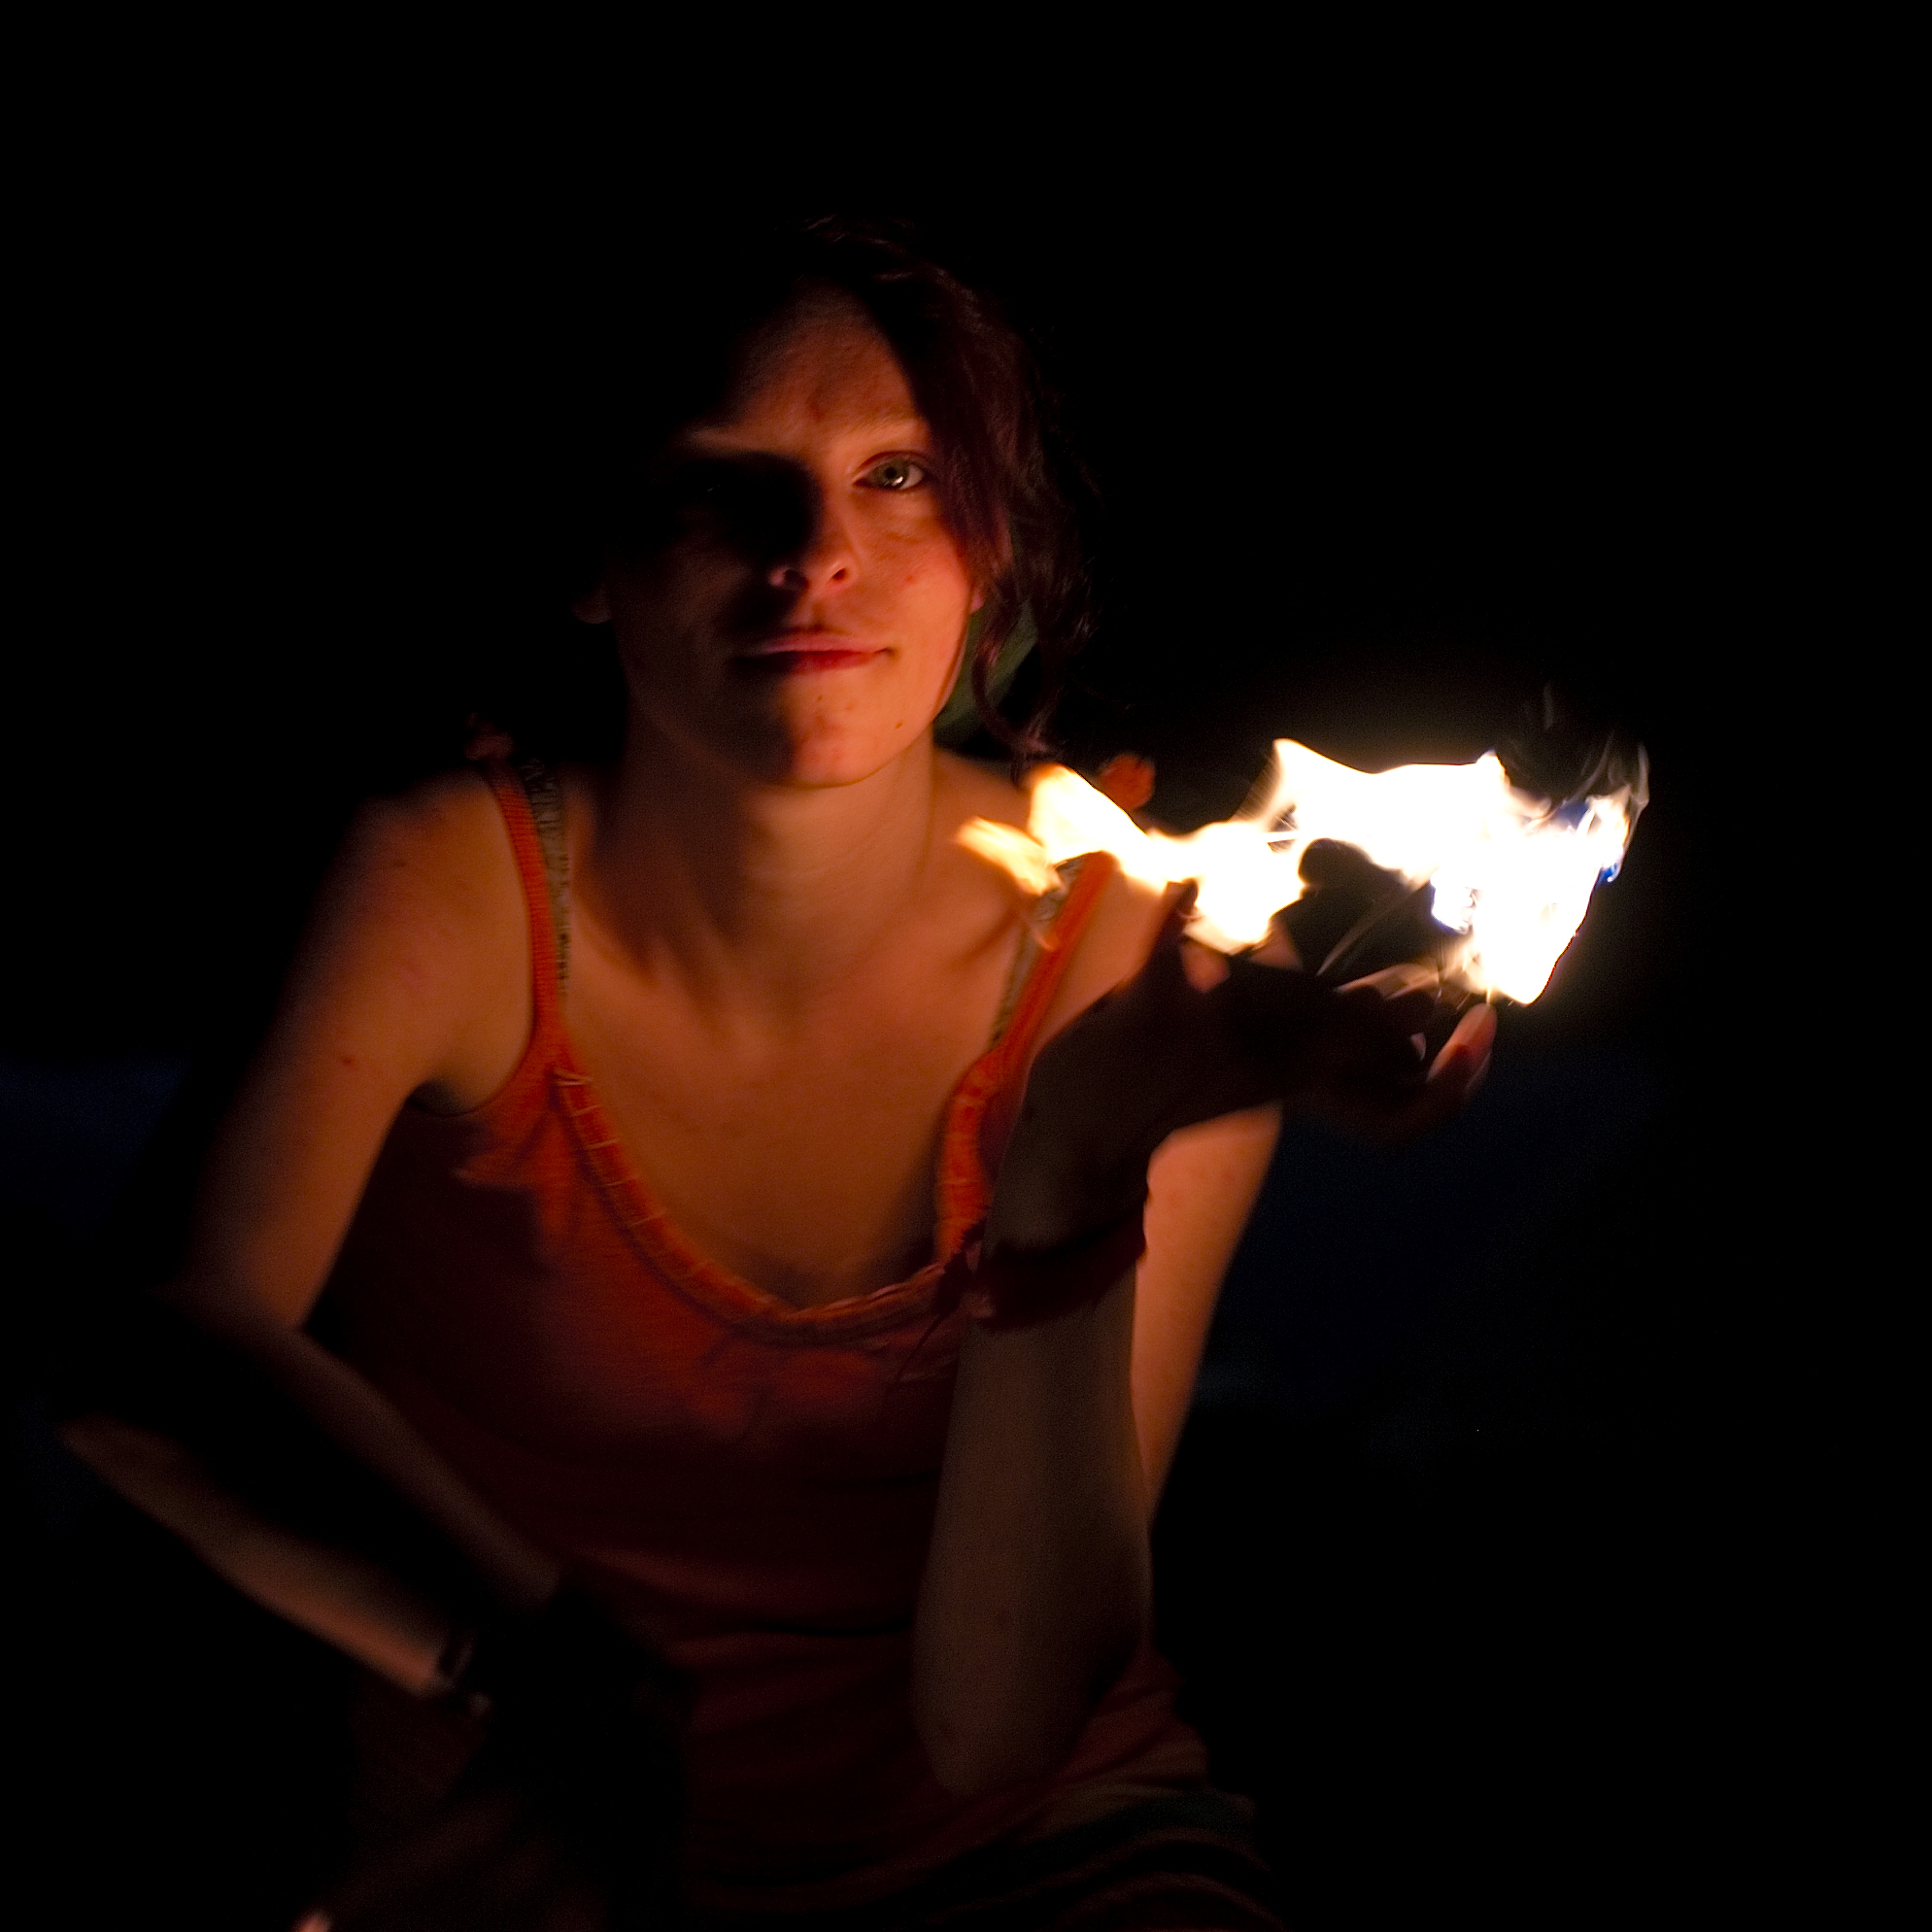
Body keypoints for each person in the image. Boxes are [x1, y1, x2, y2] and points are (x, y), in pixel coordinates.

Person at [60, 218, 1496, 1929]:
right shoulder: (450, 889)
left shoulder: (1145, 976)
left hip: (1035, 1867)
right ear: (593, 551)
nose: (814, 554)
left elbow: (1002, 1721)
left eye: (896, 475)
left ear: (987, 549)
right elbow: (143, 1352)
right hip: (531, 1866)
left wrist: (1076, 1159)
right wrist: (554, 1675)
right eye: (717, 482)